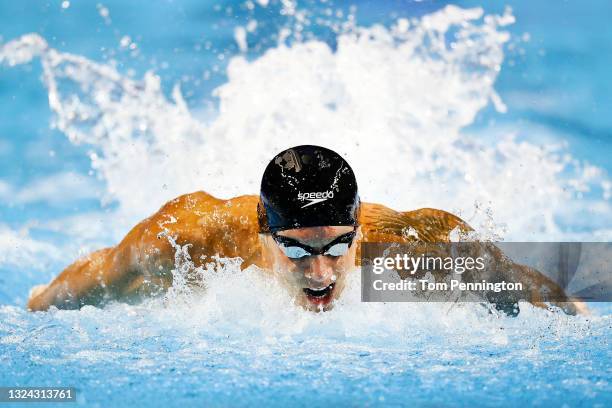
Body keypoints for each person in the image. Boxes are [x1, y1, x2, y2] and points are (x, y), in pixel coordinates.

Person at [27, 145, 587, 315]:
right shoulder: (189, 237)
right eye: (295, 249)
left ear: (360, 227)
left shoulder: (416, 242)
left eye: (338, 246)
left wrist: (577, 310)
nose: (320, 274)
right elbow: (99, 275)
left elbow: (520, 282)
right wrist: (42, 303)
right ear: (262, 229)